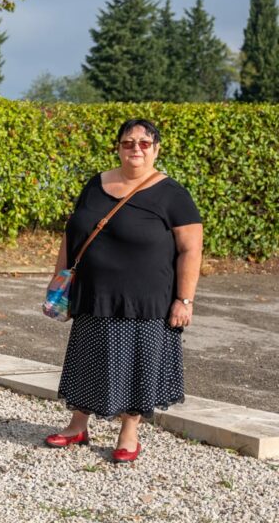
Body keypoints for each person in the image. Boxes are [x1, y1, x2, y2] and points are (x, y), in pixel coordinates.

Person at [44, 119, 201, 463]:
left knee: (139, 366)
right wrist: (60, 284)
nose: (136, 149)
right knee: (87, 360)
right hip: (94, 294)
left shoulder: (172, 193)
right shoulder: (96, 183)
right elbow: (73, 235)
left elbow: (191, 248)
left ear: (156, 149)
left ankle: (129, 432)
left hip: (146, 301)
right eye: (128, 142)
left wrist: (184, 299)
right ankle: (77, 425)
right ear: (118, 147)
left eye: (145, 143)